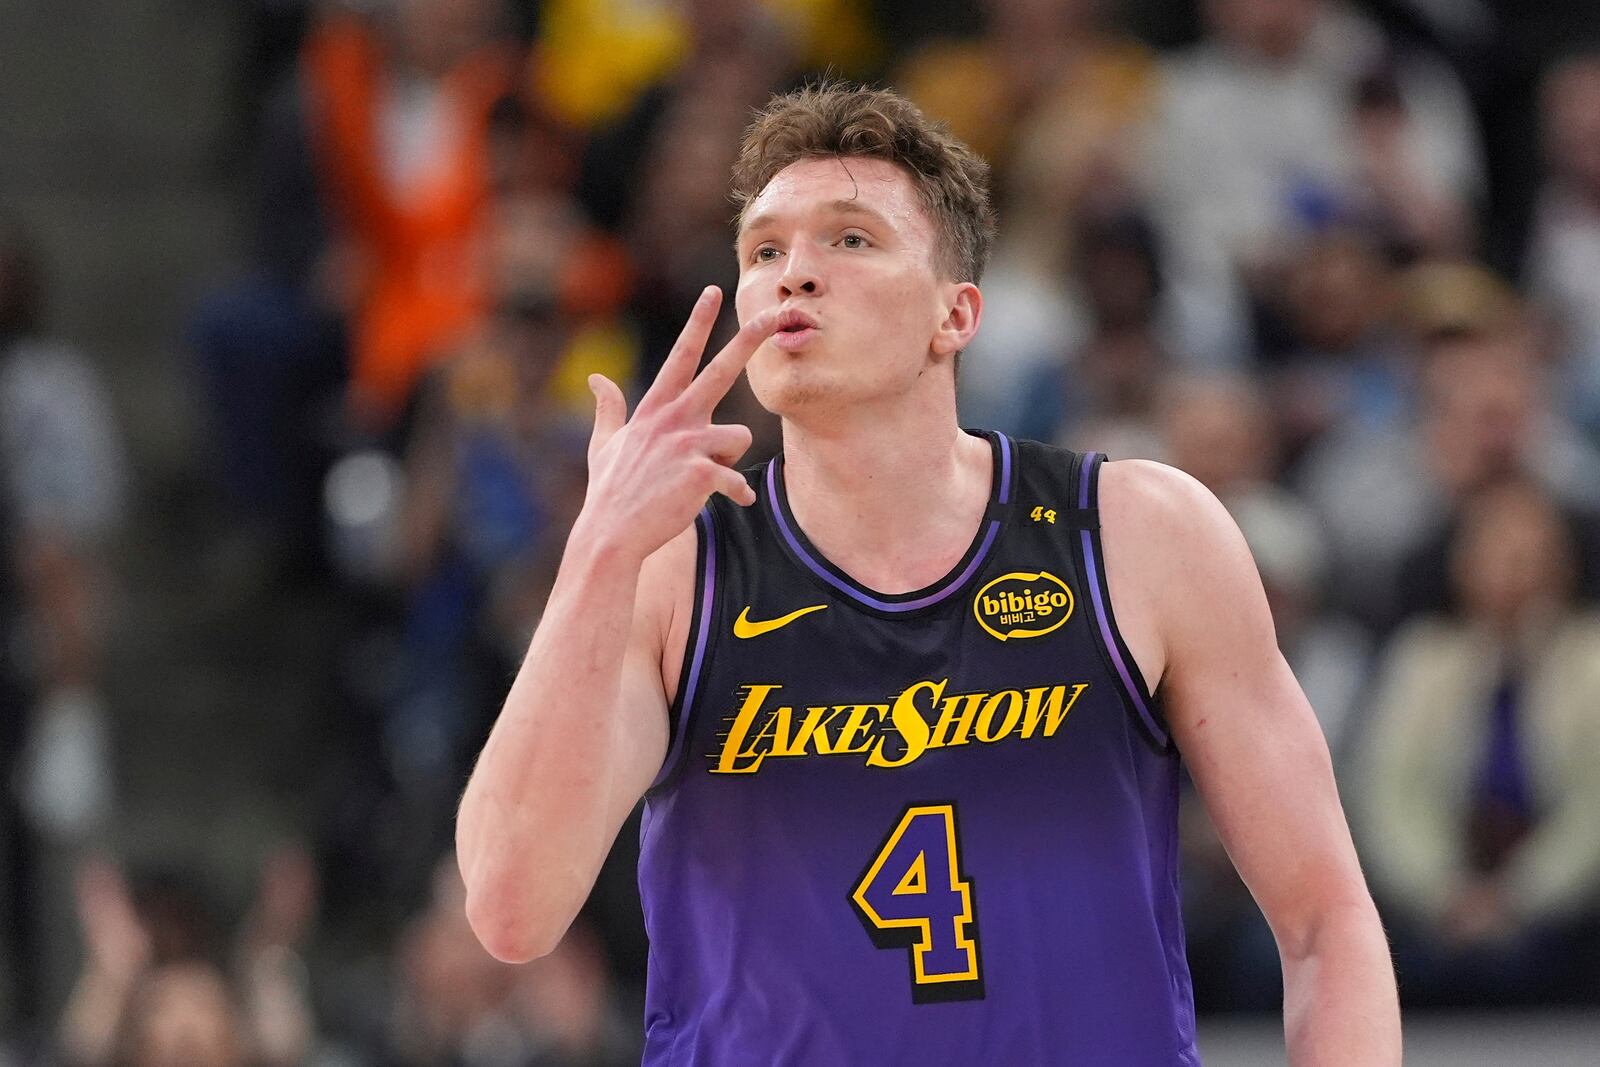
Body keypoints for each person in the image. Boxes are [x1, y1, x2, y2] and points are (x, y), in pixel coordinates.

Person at [456, 84, 1399, 1063]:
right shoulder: (673, 574)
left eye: (850, 239)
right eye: (763, 250)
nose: (795, 274)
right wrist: (596, 549)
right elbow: (511, 909)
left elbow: (1326, 920)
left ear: (956, 314)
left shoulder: (1136, 533)